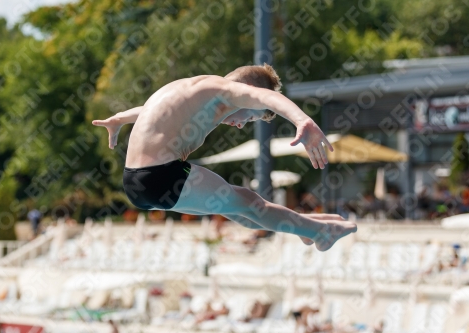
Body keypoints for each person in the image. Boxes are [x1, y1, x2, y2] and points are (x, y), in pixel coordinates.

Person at [92, 64, 357, 251]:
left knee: (236, 209)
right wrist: (303, 120)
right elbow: (265, 95)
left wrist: (119, 119)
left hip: (137, 184)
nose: (242, 124)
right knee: (248, 200)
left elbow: (152, 108)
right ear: (245, 91)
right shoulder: (226, 89)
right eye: (250, 115)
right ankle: (315, 232)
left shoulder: (191, 89)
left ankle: (303, 228)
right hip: (161, 175)